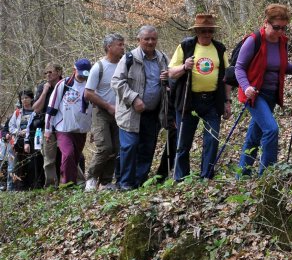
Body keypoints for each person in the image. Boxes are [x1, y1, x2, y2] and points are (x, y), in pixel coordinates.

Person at [235, 4, 292, 174]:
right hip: (255, 94)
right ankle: (267, 176)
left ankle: (242, 175)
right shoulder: (254, 40)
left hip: (272, 94)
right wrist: (246, 87)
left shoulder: (282, 42)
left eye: (284, 28)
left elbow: (280, 66)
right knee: (271, 130)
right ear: (266, 22)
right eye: (276, 27)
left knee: (254, 136)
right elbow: (239, 67)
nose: (280, 31)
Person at [167, 14, 231, 180]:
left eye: (210, 31)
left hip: (212, 101)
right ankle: (181, 178)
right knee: (183, 143)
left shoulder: (219, 48)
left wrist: (227, 101)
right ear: (196, 31)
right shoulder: (185, 46)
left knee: (212, 140)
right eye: (203, 30)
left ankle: (206, 176)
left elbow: (226, 77)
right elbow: (171, 73)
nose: (207, 34)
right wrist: (184, 66)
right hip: (188, 100)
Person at [112, 25, 170, 190]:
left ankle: (139, 181)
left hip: (153, 113)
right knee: (129, 147)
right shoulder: (129, 58)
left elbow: (167, 81)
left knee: (147, 147)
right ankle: (125, 182)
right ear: (139, 40)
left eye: (153, 39)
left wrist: (167, 80)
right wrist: (134, 98)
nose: (150, 42)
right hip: (131, 113)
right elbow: (116, 82)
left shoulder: (162, 58)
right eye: (146, 39)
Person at [84, 34, 125, 191]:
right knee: (105, 147)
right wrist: (108, 106)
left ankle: (106, 182)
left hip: (120, 113)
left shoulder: (124, 65)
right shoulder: (98, 67)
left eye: (123, 44)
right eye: (119, 45)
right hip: (101, 112)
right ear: (109, 47)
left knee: (116, 148)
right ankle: (91, 178)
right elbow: (88, 93)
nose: (122, 47)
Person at [45, 59, 94, 185]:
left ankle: (70, 183)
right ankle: (68, 184)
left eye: (86, 73)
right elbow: (52, 107)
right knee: (68, 155)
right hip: (63, 128)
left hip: (82, 129)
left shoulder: (91, 84)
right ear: (74, 70)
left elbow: (94, 109)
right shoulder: (64, 84)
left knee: (75, 158)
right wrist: (48, 129)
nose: (83, 76)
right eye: (81, 73)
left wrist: (94, 129)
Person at [32, 63, 63, 186]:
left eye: (50, 72)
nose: (48, 75)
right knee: (49, 158)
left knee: (68, 154)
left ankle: (72, 181)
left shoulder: (66, 85)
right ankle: (51, 184)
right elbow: (36, 109)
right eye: (46, 73)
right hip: (48, 125)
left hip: (64, 125)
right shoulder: (42, 87)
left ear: (59, 72)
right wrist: (44, 92)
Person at [3, 92, 36, 190]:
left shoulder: (36, 110)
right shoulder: (17, 112)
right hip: (18, 141)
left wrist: (28, 131)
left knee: (31, 163)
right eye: (22, 98)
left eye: (26, 98)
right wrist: (18, 132)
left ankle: (31, 185)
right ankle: (13, 188)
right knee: (15, 166)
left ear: (31, 99)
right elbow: (10, 126)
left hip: (33, 140)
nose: (24, 100)